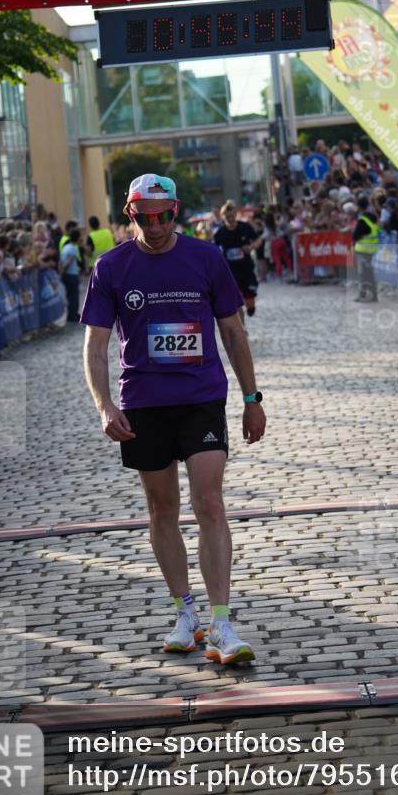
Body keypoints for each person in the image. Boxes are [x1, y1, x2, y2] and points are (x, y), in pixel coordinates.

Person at [81, 173, 266, 665]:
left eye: (166, 216)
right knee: (163, 509)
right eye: (146, 217)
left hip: (201, 397)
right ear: (131, 214)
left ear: (177, 212)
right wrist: (104, 406)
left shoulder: (207, 258)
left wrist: (252, 397)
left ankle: (221, 622)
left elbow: (233, 330)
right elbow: (96, 347)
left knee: (210, 501)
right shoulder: (111, 267)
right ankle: (185, 612)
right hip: (144, 402)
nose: (157, 226)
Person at [213, 202, 262, 321]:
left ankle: (250, 307)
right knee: (236, 300)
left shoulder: (245, 227)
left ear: (235, 214)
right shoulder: (220, 234)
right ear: (222, 216)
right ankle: (242, 327)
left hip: (247, 269)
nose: (230, 219)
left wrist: (251, 247)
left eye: (232, 216)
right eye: (227, 217)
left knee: (250, 305)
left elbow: (258, 240)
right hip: (230, 272)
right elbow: (214, 252)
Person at [352, 195, 380, 302]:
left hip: (363, 251)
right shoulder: (372, 218)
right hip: (372, 250)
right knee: (369, 274)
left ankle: (364, 295)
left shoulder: (362, 220)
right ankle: (373, 295)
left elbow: (355, 236)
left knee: (364, 275)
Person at [60, 226, 82, 322]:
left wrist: (62, 272)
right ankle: (73, 316)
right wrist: (63, 271)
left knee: (69, 296)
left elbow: (61, 261)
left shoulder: (65, 247)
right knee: (74, 296)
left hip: (67, 275)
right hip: (72, 275)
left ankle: (70, 315)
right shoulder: (73, 248)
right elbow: (69, 262)